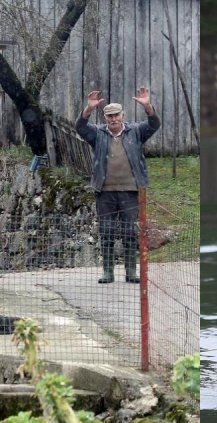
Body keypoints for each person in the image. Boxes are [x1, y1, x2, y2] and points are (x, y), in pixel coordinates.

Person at [76, 87, 160, 284]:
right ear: (105, 118)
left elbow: (154, 124)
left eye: (116, 115)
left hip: (130, 191)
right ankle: (108, 272)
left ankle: (131, 272)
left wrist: (147, 105)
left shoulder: (136, 132)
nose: (113, 119)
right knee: (106, 232)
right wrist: (88, 109)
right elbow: (80, 127)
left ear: (123, 115)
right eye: (109, 116)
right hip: (104, 192)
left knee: (130, 232)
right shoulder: (97, 134)